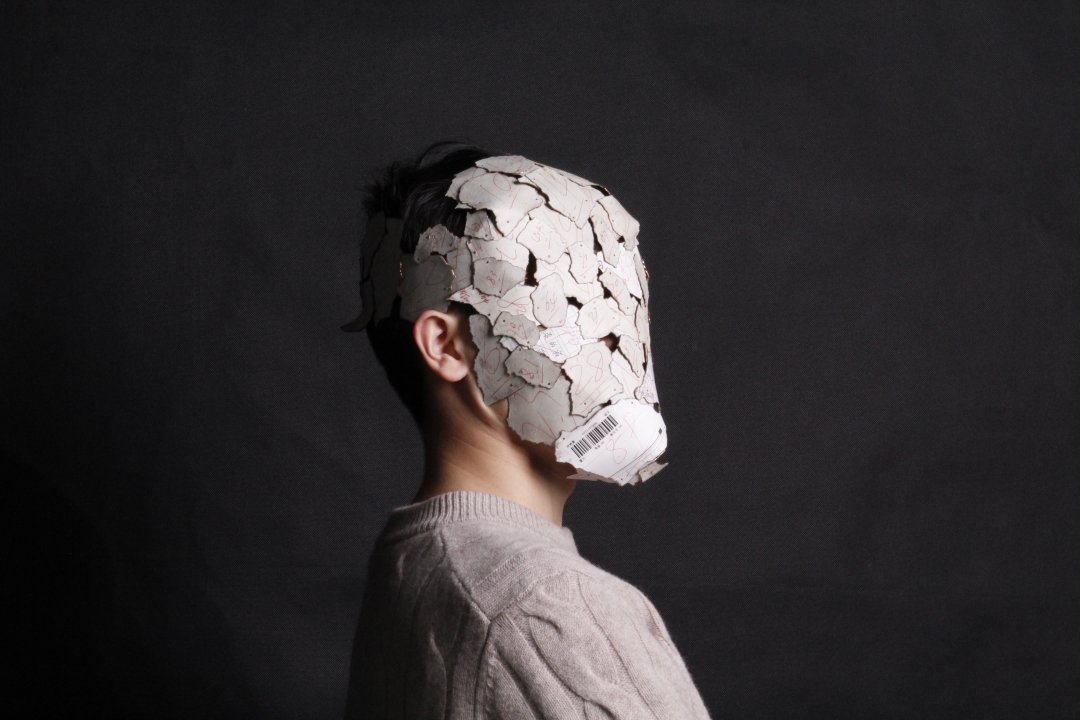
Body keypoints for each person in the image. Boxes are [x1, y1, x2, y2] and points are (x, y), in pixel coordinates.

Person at [342, 142, 712, 719]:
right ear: (447, 346)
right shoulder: (547, 603)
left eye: (621, 301)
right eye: (563, 301)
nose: (613, 339)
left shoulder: (414, 564)